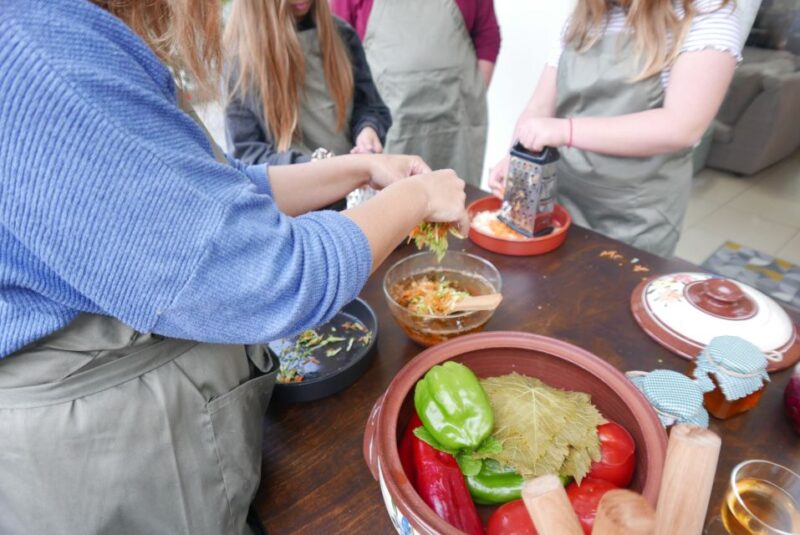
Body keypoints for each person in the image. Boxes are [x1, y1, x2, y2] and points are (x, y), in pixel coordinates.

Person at [0, 0, 468, 533]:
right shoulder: (40, 50)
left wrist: (360, 167)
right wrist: (416, 199)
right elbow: (274, 275)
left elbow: (213, 194)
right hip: (101, 467)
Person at [489, 0, 741, 257]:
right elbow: (540, 106)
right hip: (558, 197)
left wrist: (565, 130)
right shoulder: (587, 16)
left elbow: (682, 126)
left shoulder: (707, 14)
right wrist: (516, 157)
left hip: (634, 215)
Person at [332, 0, 501, 186]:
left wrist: (472, 98)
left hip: (456, 127)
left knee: (455, 203)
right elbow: (340, 51)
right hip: (386, 126)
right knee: (392, 208)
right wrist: (364, 126)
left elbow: (487, 37)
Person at [224, 0, 392, 167]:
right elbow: (247, 154)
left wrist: (367, 130)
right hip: (292, 189)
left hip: (355, 182)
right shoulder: (238, 61)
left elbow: (369, 105)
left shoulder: (343, 35)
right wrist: (316, 165)